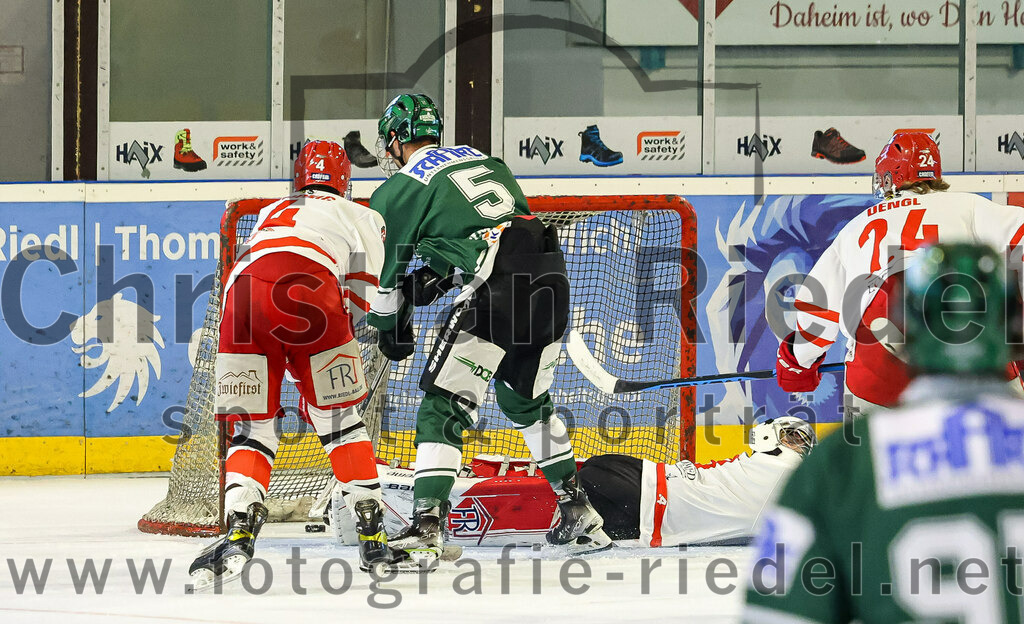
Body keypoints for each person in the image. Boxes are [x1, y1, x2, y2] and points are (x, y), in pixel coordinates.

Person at [366, 93, 610, 568]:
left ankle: (427, 526)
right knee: (526, 404)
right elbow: (495, 226)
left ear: (395, 139)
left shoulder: (397, 188)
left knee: (444, 404)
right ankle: (577, 507)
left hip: (495, 290)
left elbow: (384, 273)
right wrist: (441, 271)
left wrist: (388, 326)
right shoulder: (486, 160)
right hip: (549, 279)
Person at [746, 242, 1024, 623]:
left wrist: (796, 362)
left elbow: (776, 613)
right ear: (1012, 324)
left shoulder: (844, 461)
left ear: (905, 326)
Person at [189, 140, 390, 588]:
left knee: (251, 426)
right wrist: (334, 341)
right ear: (345, 180)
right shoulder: (362, 215)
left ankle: (238, 533)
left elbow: (261, 262)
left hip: (239, 302)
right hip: (311, 294)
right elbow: (364, 296)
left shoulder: (270, 210)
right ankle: (373, 536)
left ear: (298, 178)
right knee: (340, 422)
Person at [776, 131, 1024, 414]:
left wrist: (797, 366)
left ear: (888, 177)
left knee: (873, 453)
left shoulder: (856, 227)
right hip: (967, 338)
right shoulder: (970, 205)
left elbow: (818, 313)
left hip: (879, 356)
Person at [577, 416, 815, 547]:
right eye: (793, 437)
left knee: (580, 478)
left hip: (633, 487)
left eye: (803, 442)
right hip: (640, 497)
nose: (801, 447)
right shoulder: (786, 473)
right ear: (768, 435)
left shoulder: (777, 471)